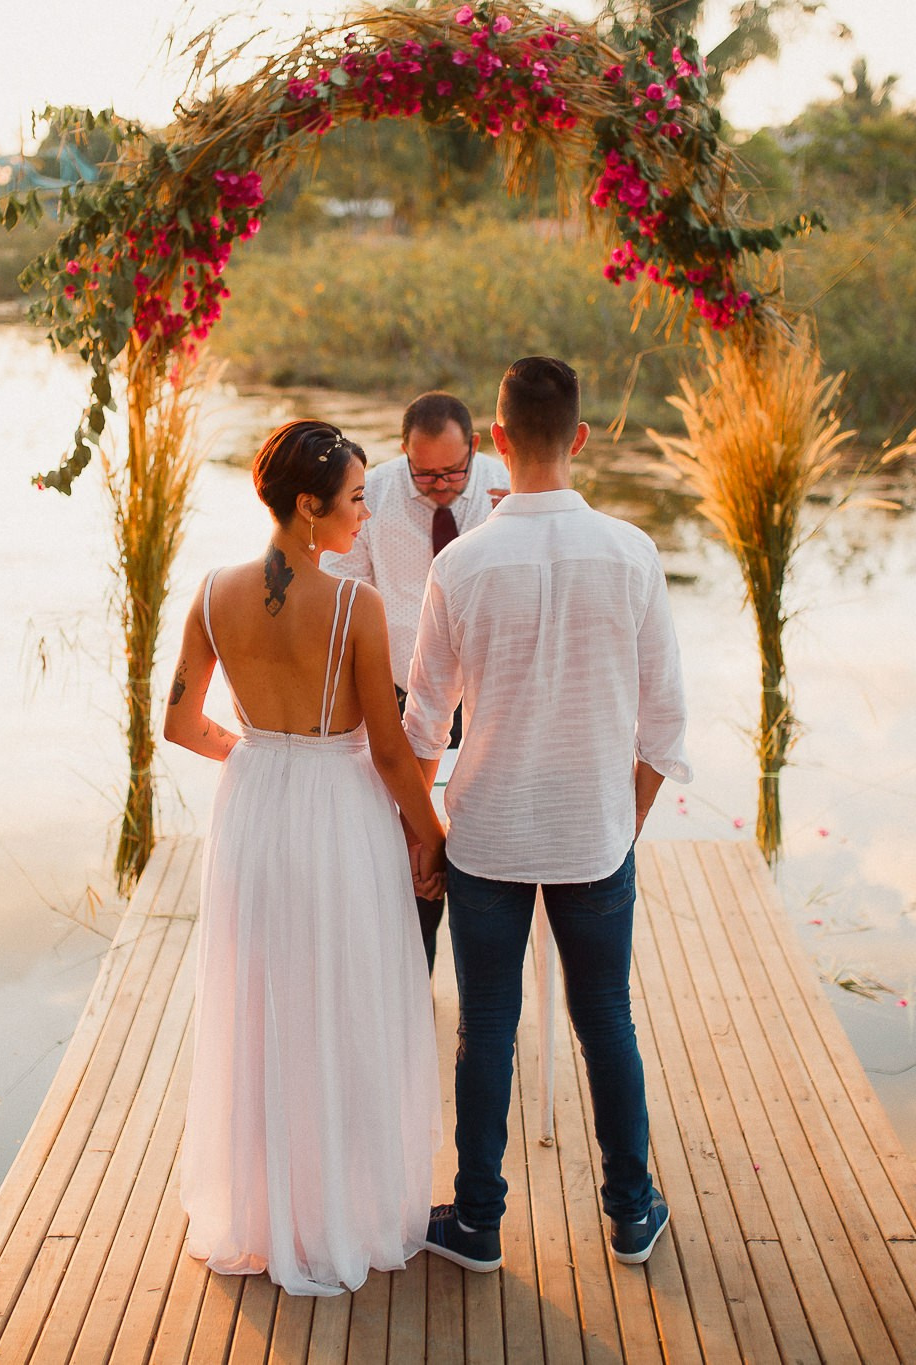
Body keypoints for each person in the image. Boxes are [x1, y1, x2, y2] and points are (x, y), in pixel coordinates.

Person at [404, 357, 690, 1273]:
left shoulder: (460, 562)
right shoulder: (635, 553)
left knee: (485, 1020)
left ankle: (479, 1223)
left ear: (494, 444)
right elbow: (666, 728)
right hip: (593, 833)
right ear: (580, 436)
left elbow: (421, 726)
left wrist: (427, 836)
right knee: (607, 1017)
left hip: (486, 832)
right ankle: (632, 1211)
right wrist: (621, 823)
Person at [162, 418, 446, 1296]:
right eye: (356, 499)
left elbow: (178, 722)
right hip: (338, 812)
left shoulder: (211, 592)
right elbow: (393, 752)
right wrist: (430, 840)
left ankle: (263, 1211)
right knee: (344, 998)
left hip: (257, 809)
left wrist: (250, 755)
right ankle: (340, 1211)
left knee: (263, 1002)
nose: (365, 515)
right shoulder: (354, 607)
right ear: (309, 505)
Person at [323, 391, 510, 973]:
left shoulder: (510, 490)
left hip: (488, 698)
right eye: (423, 472)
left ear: (475, 448)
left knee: (482, 839)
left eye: (453, 471)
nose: (439, 484)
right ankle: (411, 981)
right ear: (403, 453)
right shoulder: (372, 495)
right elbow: (342, 594)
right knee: (405, 845)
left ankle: (483, 987)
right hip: (400, 694)